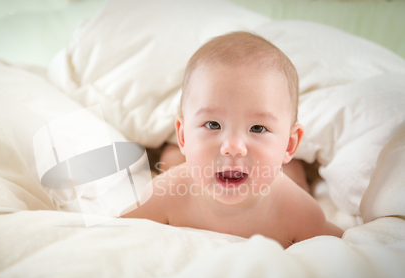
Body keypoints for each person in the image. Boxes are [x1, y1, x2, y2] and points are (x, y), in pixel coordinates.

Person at [123, 31, 343, 248]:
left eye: (257, 128)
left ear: (289, 144)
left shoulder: (300, 213)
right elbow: (115, 235)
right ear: (182, 135)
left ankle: (298, 169)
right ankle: (173, 149)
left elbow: (342, 246)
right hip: (186, 169)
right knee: (172, 162)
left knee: (294, 179)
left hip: (284, 180)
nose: (233, 147)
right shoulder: (165, 193)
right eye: (213, 124)